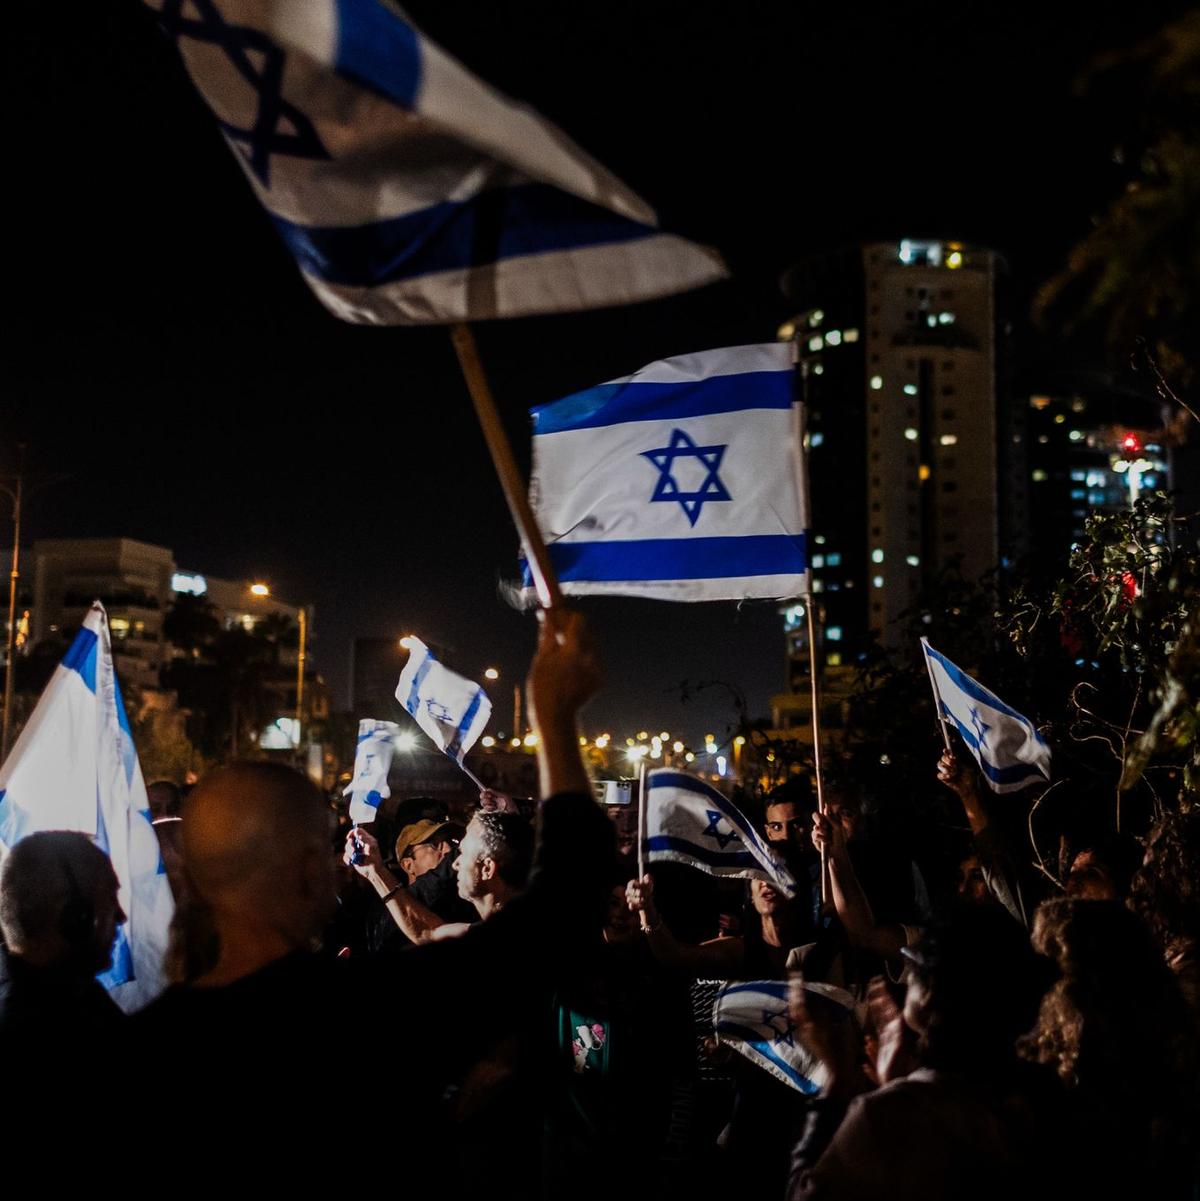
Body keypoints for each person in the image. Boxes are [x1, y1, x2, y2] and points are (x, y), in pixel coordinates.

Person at [133, 609, 612, 1186]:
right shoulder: (360, 1014)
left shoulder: (135, 1050)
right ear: (311, 872)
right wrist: (555, 720)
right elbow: (563, 906)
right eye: (328, 853)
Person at [0, 831, 127, 1041]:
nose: (121, 917)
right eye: (110, 899)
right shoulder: (39, 1024)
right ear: (77, 916)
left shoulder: (70, 988)